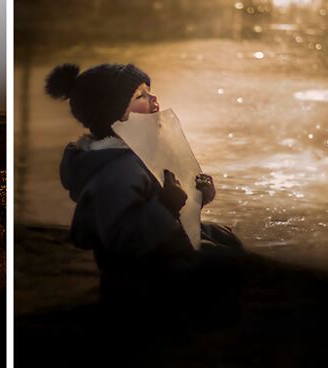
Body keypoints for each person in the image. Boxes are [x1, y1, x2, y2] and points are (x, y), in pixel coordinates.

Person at [46, 63, 244, 327]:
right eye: (140, 96)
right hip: (140, 271)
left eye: (150, 92)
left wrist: (198, 194)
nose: (153, 99)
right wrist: (167, 204)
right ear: (114, 116)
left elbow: (170, 203)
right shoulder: (116, 171)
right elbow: (125, 240)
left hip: (158, 244)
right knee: (226, 263)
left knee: (222, 234)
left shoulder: (138, 151)